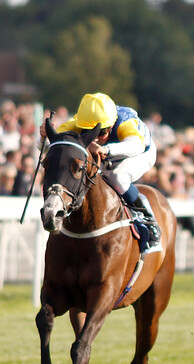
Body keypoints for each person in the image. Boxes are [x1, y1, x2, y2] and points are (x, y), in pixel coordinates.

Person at [46, 93, 161, 250]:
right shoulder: (78, 121)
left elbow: (136, 145)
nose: (95, 138)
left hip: (140, 152)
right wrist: (44, 138)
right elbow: (52, 146)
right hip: (109, 154)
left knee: (118, 177)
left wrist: (105, 149)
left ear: (112, 126)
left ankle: (148, 219)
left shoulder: (125, 122)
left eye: (100, 133)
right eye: (86, 132)